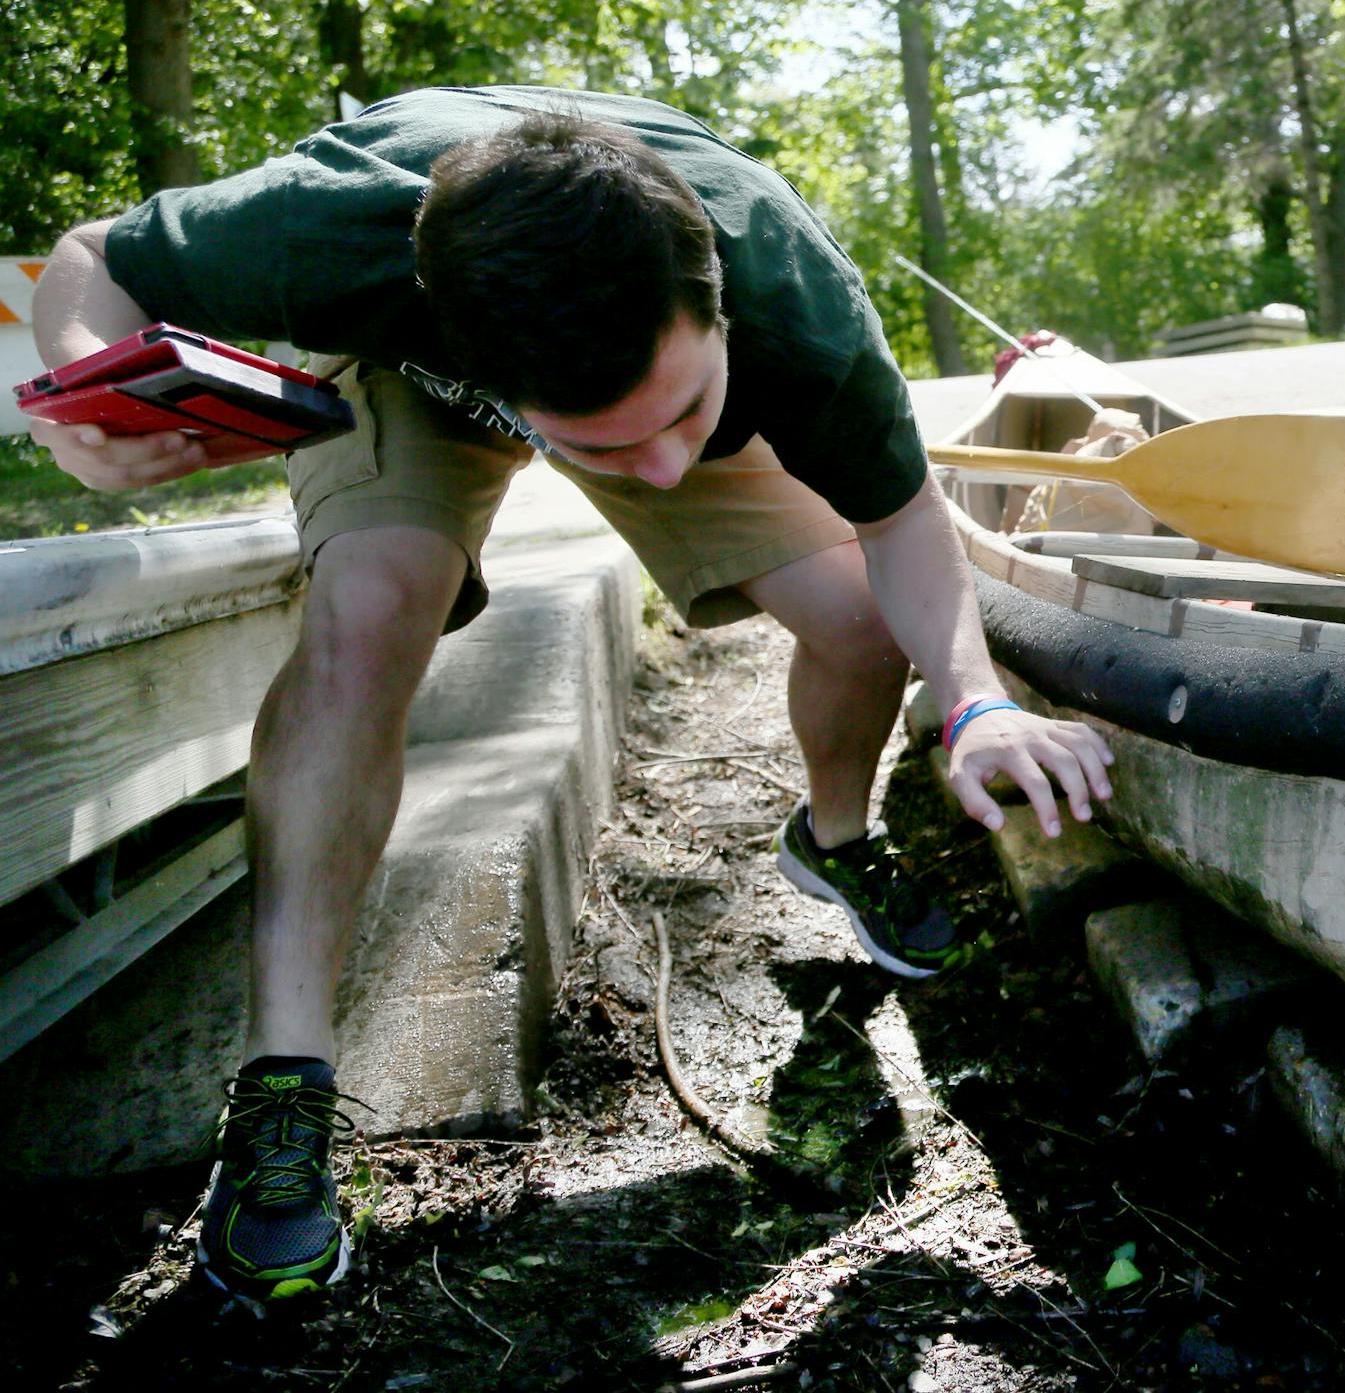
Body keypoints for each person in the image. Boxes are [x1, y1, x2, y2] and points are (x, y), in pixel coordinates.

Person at [29, 87, 1113, 1303]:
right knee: (371, 616)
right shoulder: (327, 229)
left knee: (863, 619)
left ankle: (834, 837)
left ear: (714, 309)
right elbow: (91, 262)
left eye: (682, 412)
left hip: (637, 357)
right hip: (403, 376)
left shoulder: (782, 288)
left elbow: (903, 522)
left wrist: (974, 701)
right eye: (603, 452)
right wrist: (89, 389)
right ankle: (284, 1082)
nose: (653, 473)